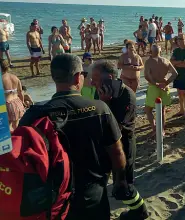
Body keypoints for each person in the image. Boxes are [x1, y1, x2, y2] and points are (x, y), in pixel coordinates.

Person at [19, 54, 127, 220]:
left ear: (54, 77)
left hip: (53, 198)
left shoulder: (34, 115)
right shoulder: (99, 108)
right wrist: (119, 182)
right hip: (93, 194)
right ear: (78, 77)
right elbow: (117, 152)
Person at [91, 60, 149, 220]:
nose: (91, 82)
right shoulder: (101, 90)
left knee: (123, 187)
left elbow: (116, 128)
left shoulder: (127, 95)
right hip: (104, 147)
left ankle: (140, 211)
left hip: (122, 148)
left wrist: (105, 103)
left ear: (109, 77)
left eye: (95, 79)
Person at [144, 45, 178, 135]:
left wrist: (155, 84)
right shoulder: (166, 60)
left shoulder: (149, 62)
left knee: (148, 109)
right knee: (162, 110)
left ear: (151, 51)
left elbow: (147, 76)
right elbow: (175, 74)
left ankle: (155, 128)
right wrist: (166, 83)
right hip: (164, 87)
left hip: (154, 87)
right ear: (160, 51)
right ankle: (162, 130)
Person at [171, 34, 185, 117]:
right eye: (178, 39)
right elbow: (171, 62)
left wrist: (176, 63)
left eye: (181, 39)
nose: (179, 41)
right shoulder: (176, 51)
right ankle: (181, 110)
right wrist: (180, 62)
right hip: (177, 74)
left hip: (184, 75)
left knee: (184, 93)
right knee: (179, 93)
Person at [1, 59, 24, 131]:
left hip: (6, 105)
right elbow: (20, 92)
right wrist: (22, 103)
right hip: (17, 102)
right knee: (16, 126)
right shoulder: (15, 77)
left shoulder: (1, 79)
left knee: (6, 127)